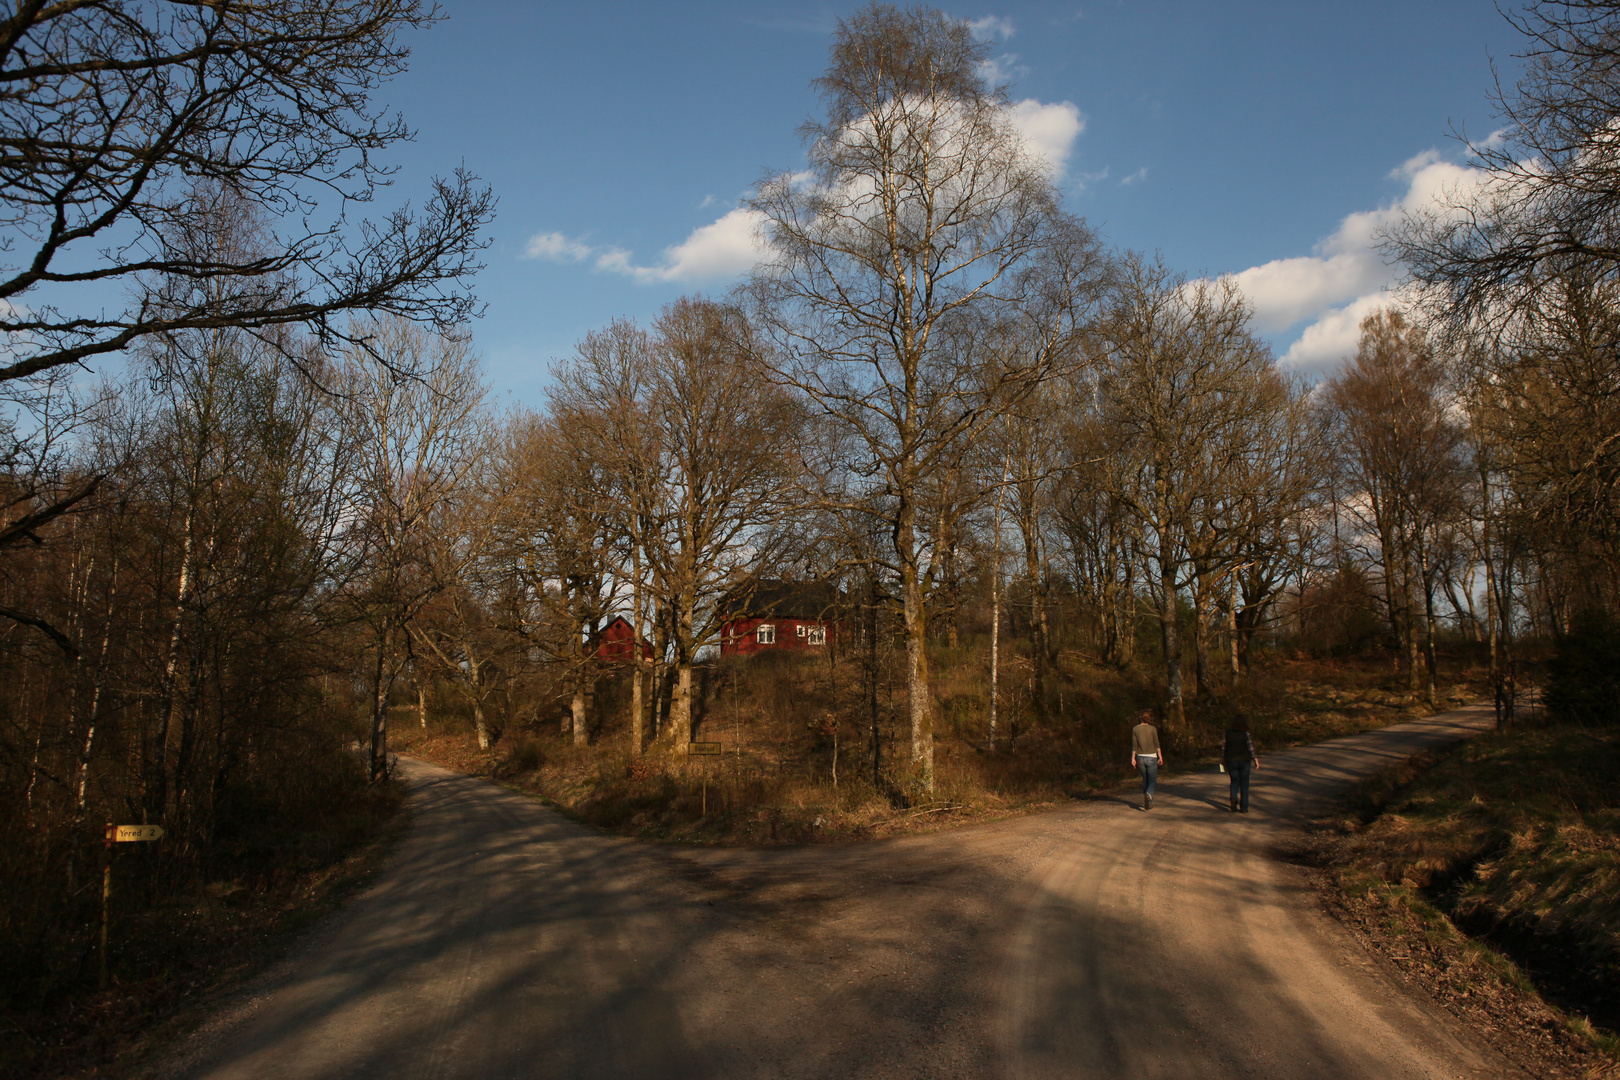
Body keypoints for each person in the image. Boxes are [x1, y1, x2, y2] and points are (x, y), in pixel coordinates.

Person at [1222, 718, 1259, 813]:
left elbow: (1224, 747)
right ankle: (1244, 807)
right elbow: (1250, 748)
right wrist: (1255, 759)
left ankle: (1233, 798)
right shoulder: (1246, 733)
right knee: (1244, 784)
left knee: (1234, 781)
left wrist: (1223, 759)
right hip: (1244, 760)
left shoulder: (1227, 733)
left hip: (1231, 760)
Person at [1130, 709, 1163, 810]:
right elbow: (1157, 743)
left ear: (1140, 717)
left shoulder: (1135, 729)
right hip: (1152, 757)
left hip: (1140, 758)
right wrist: (1160, 756)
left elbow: (1134, 745)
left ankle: (1149, 802)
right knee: (1152, 781)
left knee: (1145, 780)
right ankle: (1149, 794)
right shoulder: (1152, 729)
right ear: (1149, 719)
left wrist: (1133, 759)